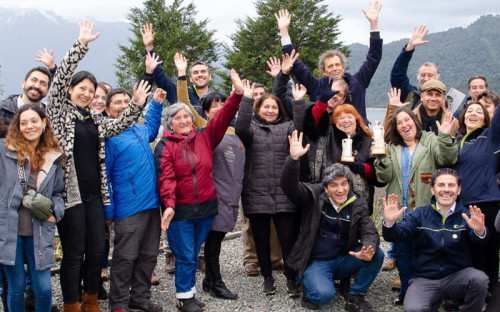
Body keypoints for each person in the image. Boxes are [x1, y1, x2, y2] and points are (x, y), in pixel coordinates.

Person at [46, 20, 151, 312]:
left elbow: (122, 124)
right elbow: (60, 78)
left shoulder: (95, 121)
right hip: (70, 197)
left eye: (91, 90)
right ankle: (71, 303)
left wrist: (137, 104)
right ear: (70, 91)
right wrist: (81, 45)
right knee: (73, 253)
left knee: (96, 251)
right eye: (81, 88)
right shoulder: (59, 113)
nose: (86, 93)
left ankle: (91, 299)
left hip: (95, 196)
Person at [154, 69, 243, 312]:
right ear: (169, 123)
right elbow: (166, 179)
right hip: (181, 211)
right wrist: (169, 205)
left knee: (193, 254)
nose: (183, 120)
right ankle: (184, 298)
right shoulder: (165, 146)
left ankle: (190, 293)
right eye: (177, 118)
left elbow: (224, 117)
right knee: (184, 255)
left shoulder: (205, 137)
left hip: (205, 208)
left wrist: (237, 94)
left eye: (186, 117)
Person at [281, 131, 384, 311]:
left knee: (378, 254)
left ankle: (355, 296)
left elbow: (369, 231)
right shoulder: (313, 196)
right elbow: (289, 187)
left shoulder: (356, 203)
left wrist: (368, 248)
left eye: (344, 184)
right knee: (323, 296)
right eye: (334, 185)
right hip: (317, 261)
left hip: (343, 259)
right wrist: (293, 160)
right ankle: (308, 283)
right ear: (326, 188)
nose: (340, 190)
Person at [174, 52, 245, 300]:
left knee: (218, 239)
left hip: (232, 196)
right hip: (213, 197)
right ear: (203, 112)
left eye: (221, 104)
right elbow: (184, 103)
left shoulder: (236, 131)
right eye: (212, 105)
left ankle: (207, 280)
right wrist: (182, 76)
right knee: (212, 243)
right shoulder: (204, 130)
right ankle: (216, 282)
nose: (217, 108)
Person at [374, 106, 458, 305]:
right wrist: (380, 155)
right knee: (404, 255)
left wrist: (445, 136)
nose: (404, 125)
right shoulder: (392, 148)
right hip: (401, 212)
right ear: (395, 128)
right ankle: (405, 290)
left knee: (428, 253)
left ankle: (432, 292)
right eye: (399, 123)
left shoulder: (429, 140)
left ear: (415, 121)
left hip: (425, 211)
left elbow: (447, 159)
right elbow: (383, 176)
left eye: (407, 120)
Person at [382, 169, 489, 312]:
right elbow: (397, 235)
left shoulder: (467, 216)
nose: (446, 190)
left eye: (451, 185)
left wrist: (480, 231)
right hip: (425, 279)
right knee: (414, 309)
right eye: (441, 185)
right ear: (432, 189)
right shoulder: (420, 214)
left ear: (459, 190)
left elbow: (480, 243)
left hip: (457, 278)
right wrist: (389, 222)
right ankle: (432, 303)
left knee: (479, 279)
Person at [235, 74, 302, 296]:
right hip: (256, 192)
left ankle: (291, 279)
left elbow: (301, 131)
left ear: (280, 109)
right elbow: (241, 127)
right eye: (266, 107)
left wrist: (299, 103)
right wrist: (245, 98)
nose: (271, 110)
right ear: (258, 109)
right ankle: (267, 278)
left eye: (274, 107)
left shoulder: (288, 128)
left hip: (284, 193)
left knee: (287, 239)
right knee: (261, 239)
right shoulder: (251, 129)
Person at [104, 76, 166, 312]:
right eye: (117, 102)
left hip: (151, 204)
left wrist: (157, 104)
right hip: (127, 208)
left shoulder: (138, 131)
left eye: (126, 100)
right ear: (108, 110)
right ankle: (119, 304)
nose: (122, 105)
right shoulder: (109, 137)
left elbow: (151, 128)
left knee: (149, 255)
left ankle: (140, 298)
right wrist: (109, 209)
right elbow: (105, 177)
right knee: (125, 258)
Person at [0, 104, 65, 312]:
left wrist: (56, 212)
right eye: (24, 123)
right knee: (16, 287)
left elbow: (60, 192)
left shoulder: (53, 156)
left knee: (44, 288)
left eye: (34, 121)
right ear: (17, 127)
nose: (30, 126)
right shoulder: (4, 151)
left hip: (39, 227)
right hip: (9, 228)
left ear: (44, 123)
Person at [275, 1, 383, 120]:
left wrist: (374, 25)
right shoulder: (316, 87)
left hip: (356, 136)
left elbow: (374, 58)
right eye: (330, 66)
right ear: (324, 71)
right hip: (327, 136)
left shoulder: (357, 82)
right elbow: (294, 63)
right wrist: (284, 31)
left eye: (337, 64)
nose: (335, 68)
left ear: (343, 67)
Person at [455, 101, 500, 296]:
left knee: (488, 249)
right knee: (465, 248)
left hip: (486, 201)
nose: (473, 114)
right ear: (463, 116)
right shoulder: (456, 140)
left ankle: (489, 290)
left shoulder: (491, 136)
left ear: (485, 118)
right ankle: (468, 289)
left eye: (478, 112)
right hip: (460, 203)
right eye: (469, 111)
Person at [142, 23, 212, 115]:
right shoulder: (177, 93)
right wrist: (149, 48)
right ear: (190, 78)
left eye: (203, 71)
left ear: (210, 76)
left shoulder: (219, 101)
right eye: (195, 72)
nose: (199, 75)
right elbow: (160, 76)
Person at [383, 81, 459, 141]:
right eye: (429, 94)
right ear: (422, 97)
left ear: (443, 98)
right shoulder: (410, 118)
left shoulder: (452, 122)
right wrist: (393, 109)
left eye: (438, 95)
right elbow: (387, 138)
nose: (433, 98)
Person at [0, 50, 55, 128]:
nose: (36, 86)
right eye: (34, 80)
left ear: (47, 91)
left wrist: (53, 69)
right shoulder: (3, 109)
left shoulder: (49, 116)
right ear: (23, 83)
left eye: (43, 84)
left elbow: (62, 94)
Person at [390, 25, 441, 108]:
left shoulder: (444, 101)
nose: (426, 78)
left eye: (430, 75)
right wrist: (409, 48)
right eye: (423, 75)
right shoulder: (411, 96)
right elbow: (397, 76)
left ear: (437, 78)